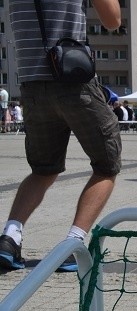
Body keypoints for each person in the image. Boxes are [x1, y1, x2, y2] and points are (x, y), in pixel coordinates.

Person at [0, 0, 122, 272]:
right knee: (106, 165)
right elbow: (112, 20)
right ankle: (72, 245)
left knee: (42, 170)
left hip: (32, 85)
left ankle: (10, 237)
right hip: (73, 80)